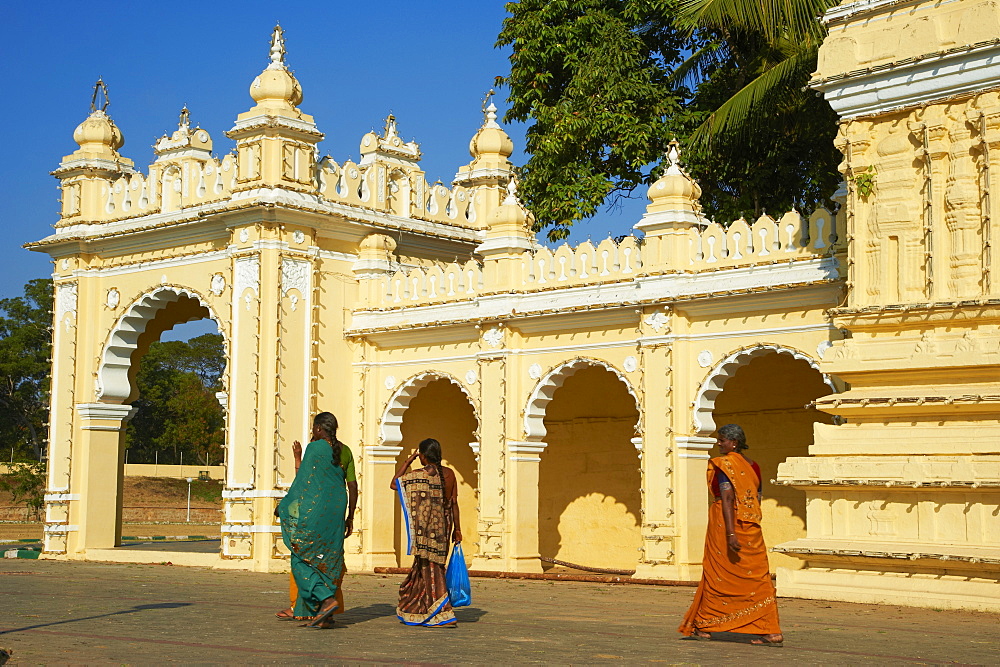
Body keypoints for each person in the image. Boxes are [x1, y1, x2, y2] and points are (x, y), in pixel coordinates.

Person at [679, 423, 783, 646]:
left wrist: (730, 533)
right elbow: (758, 497)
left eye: (722, 440)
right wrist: (748, 524)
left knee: (717, 573)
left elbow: (726, 498)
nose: (719, 444)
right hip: (751, 525)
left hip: (726, 523)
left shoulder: (724, 464)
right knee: (757, 578)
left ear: (734, 442)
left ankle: (706, 623)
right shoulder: (753, 466)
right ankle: (770, 630)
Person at [276, 412, 358, 629]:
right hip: (338, 510)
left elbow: (302, 483)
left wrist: (284, 506)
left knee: (300, 556)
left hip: (316, 511)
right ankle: (325, 615)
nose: (313, 432)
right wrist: (350, 515)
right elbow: (353, 486)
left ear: (320, 428)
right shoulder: (346, 450)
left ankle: (326, 600)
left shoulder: (314, 448)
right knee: (329, 559)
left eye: (314, 428)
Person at [390, 438, 463, 627]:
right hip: (444, 527)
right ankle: (421, 607)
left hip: (426, 530)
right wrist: (458, 529)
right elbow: (454, 503)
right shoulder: (449, 474)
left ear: (422, 455)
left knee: (431, 569)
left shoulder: (420, 474)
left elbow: (394, 483)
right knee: (435, 566)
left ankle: (443, 611)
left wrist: (407, 461)